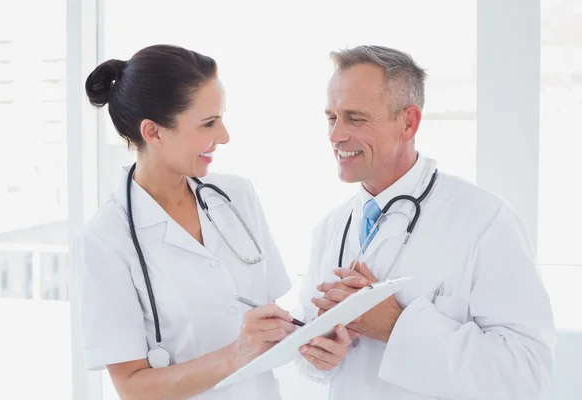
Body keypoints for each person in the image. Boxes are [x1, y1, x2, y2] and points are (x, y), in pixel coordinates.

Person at [296, 45, 556, 399]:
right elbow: (311, 359)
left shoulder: (486, 221)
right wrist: (318, 356)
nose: (335, 135)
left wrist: (394, 325)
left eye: (355, 118)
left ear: (408, 122)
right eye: (331, 117)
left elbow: (526, 372)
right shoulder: (331, 227)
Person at [70, 44, 295, 400]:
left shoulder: (237, 196)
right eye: (208, 123)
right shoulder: (103, 240)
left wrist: (317, 334)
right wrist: (234, 356)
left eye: (220, 117)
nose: (224, 136)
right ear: (153, 132)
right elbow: (132, 387)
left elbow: (270, 318)